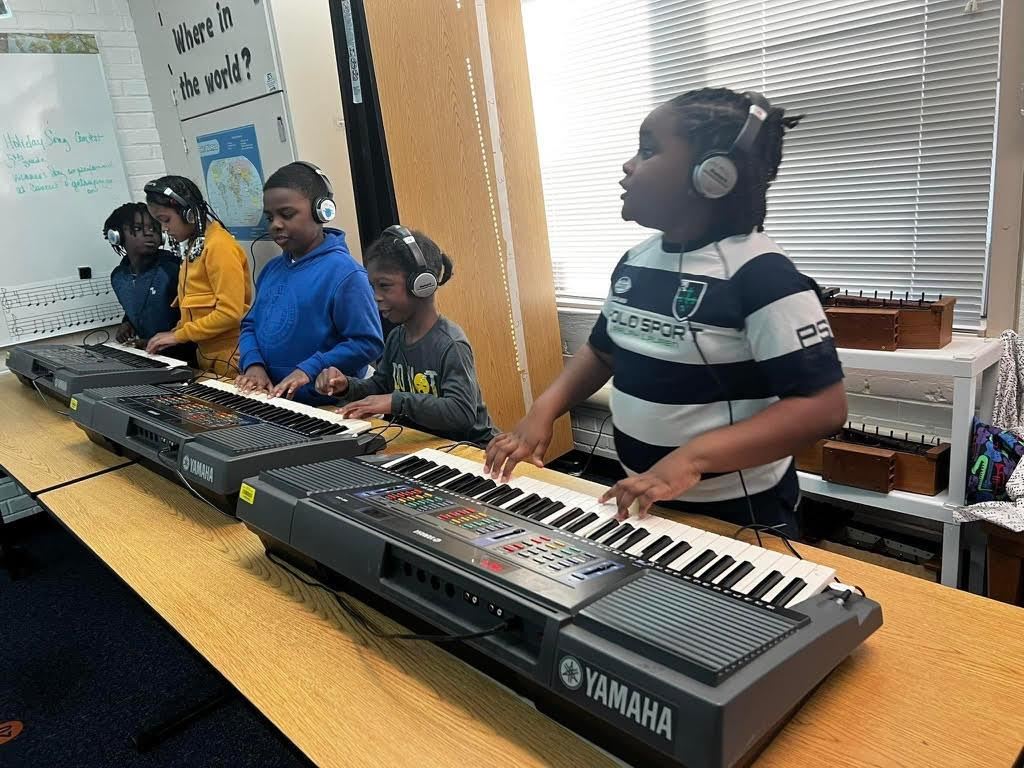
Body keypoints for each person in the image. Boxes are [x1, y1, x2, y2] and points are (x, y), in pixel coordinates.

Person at [485, 87, 847, 534]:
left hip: (740, 510)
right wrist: (543, 409)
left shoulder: (761, 275)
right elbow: (603, 352)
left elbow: (823, 408)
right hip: (646, 493)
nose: (629, 164)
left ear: (712, 175)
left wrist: (693, 460)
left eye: (649, 149)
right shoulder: (636, 261)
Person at [315, 226, 498, 445]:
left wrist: (396, 402)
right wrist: (346, 385)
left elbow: (461, 413)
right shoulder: (396, 338)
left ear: (421, 285)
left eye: (384, 286)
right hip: (427, 445)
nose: (376, 297)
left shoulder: (450, 344)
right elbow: (381, 386)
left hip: (473, 450)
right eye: (373, 287)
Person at [233, 162, 383, 403]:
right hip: (276, 400)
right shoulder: (272, 269)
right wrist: (253, 365)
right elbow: (250, 325)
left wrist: (310, 368)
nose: (275, 225)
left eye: (287, 214)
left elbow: (368, 343)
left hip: (327, 407)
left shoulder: (345, 273)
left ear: (321, 211)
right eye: (270, 217)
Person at [143, 175, 251, 375]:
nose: (164, 229)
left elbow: (230, 314)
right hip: (208, 356)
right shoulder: (197, 246)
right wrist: (174, 332)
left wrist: (179, 336)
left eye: (166, 220)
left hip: (231, 357)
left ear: (189, 213)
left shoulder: (219, 246)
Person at [103, 202, 180, 348]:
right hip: (150, 355)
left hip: (183, 354)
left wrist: (152, 342)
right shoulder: (119, 277)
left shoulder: (173, 269)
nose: (149, 233)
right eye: (138, 228)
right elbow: (138, 307)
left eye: (153, 228)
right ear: (117, 236)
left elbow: (194, 319)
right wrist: (128, 323)